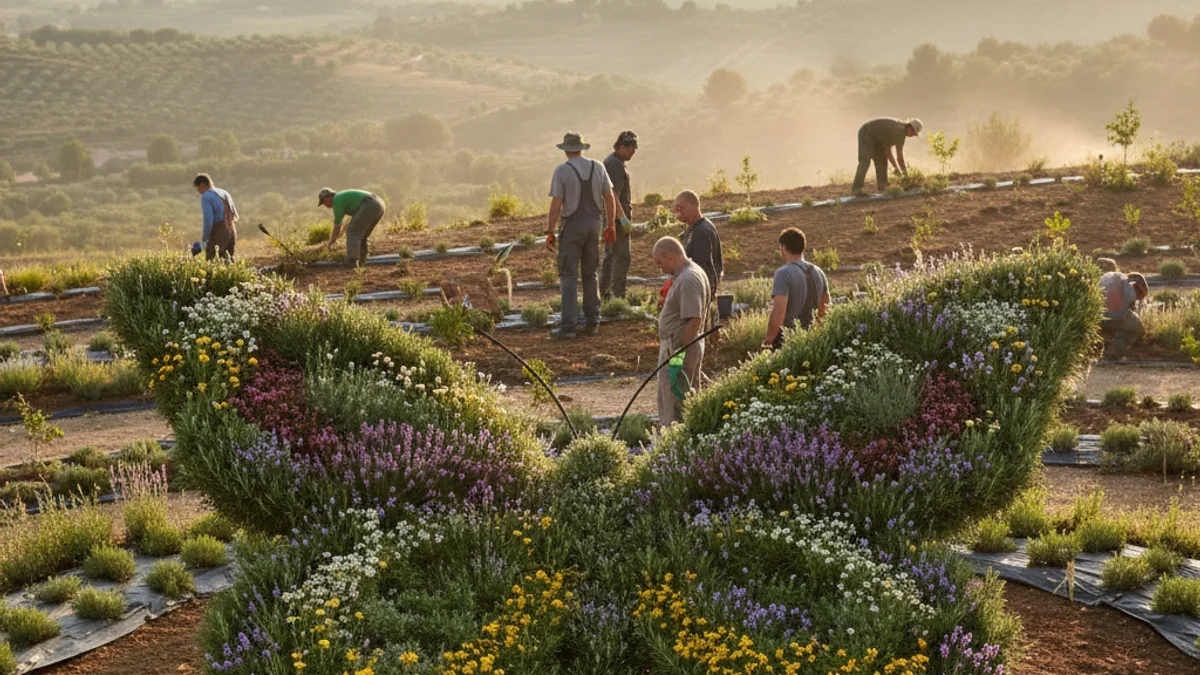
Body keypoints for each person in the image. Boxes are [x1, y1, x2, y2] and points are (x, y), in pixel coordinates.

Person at [546, 132, 617, 338]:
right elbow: (609, 197)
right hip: (594, 225)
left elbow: (556, 204)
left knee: (568, 275)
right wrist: (610, 225)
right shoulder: (598, 167)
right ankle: (592, 322)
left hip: (572, 227)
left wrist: (550, 231)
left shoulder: (562, 171)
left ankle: (568, 327)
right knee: (590, 273)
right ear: (582, 148)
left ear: (565, 150)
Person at [653, 236, 710, 428]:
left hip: (678, 349)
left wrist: (677, 358)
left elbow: (694, 320)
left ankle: (673, 447)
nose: (659, 268)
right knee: (679, 398)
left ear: (669, 256)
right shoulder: (688, 274)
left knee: (674, 403)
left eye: (660, 262)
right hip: (680, 347)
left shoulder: (688, 279)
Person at [762, 228, 830, 351]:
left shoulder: (783, 273)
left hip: (788, 340)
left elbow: (779, 313)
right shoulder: (819, 272)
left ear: (783, 247)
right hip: (812, 339)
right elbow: (824, 309)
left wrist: (768, 342)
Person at [674, 190, 723, 322]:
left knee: (700, 327)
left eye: (682, 208)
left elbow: (702, 266)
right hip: (703, 288)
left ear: (694, 206)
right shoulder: (694, 228)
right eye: (677, 209)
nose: (678, 212)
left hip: (702, 288)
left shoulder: (701, 232)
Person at [600, 131, 638, 300]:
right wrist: (622, 218)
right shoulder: (615, 165)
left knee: (610, 256)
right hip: (615, 218)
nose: (633, 152)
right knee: (622, 257)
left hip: (610, 217)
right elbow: (613, 193)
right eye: (630, 148)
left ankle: (605, 294)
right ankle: (618, 296)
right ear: (622, 147)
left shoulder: (614, 161)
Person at [318, 188, 386, 268]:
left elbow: (337, 227)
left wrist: (330, 243)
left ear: (328, 197)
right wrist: (336, 238)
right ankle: (363, 261)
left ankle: (351, 261)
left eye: (323, 202)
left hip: (369, 204)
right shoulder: (342, 197)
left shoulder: (337, 200)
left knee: (352, 232)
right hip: (379, 204)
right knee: (362, 235)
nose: (325, 205)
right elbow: (346, 224)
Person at [852, 117, 922, 195]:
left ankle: (883, 186)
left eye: (915, 134)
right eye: (913, 132)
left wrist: (897, 170)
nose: (913, 135)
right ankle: (856, 188)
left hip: (877, 139)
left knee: (882, 161)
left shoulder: (901, 132)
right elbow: (899, 158)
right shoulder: (899, 132)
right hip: (867, 132)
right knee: (865, 161)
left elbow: (888, 153)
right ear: (909, 126)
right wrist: (905, 175)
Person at [1099, 270, 1148, 358]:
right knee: (1138, 329)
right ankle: (1116, 351)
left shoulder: (1111, 279)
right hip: (1116, 318)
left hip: (1098, 317)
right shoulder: (1129, 288)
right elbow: (1128, 308)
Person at [193, 174, 238, 261]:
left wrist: (205, 239)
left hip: (218, 234)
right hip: (232, 231)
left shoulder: (206, 197)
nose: (198, 191)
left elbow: (208, 221)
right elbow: (235, 215)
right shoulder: (225, 193)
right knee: (228, 261)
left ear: (202, 185)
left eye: (198, 188)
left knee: (212, 263)